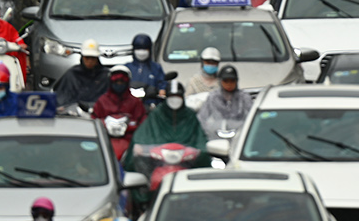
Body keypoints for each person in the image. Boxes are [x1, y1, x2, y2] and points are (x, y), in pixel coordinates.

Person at [121, 81, 209, 210]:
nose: (175, 100)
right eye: (171, 96)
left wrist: (200, 152)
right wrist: (140, 148)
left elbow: (200, 140)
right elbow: (141, 137)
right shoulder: (157, 114)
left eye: (177, 96)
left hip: (187, 163)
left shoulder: (189, 116)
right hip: (158, 163)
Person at [196, 64, 253, 139]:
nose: (229, 84)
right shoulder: (213, 97)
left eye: (232, 81)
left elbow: (253, 118)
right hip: (215, 136)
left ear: (237, 81)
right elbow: (201, 118)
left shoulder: (244, 98)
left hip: (240, 137)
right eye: (226, 81)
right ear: (220, 81)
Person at [54, 41, 111, 107]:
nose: (90, 61)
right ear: (82, 57)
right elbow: (62, 98)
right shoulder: (72, 74)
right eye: (87, 57)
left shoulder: (105, 75)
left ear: (97, 58)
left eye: (93, 58)